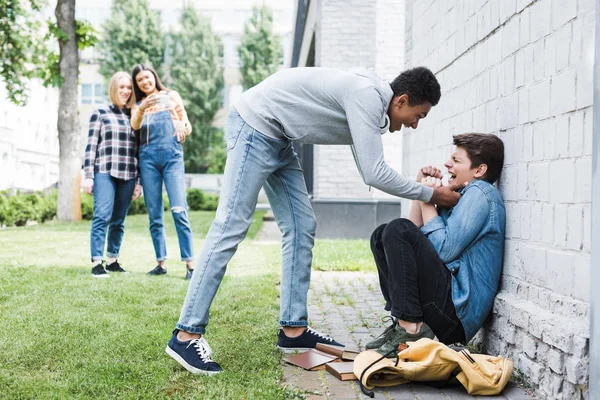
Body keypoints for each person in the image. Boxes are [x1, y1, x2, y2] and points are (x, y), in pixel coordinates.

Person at [166, 66, 463, 375]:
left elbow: (366, 167)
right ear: (401, 101)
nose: (415, 125)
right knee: (230, 225)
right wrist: (433, 195)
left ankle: (293, 330)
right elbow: (373, 173)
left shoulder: (372, 100)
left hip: (279, 137)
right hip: (256, 126)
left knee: (300, 226)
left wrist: (428, 192)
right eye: (419, 115)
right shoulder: (367, 97)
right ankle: (186, 334)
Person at [367, 133, 506, 356]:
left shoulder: (482, 194)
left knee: (396, 229)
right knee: (382, 235)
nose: (447, 164)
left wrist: (428, 197)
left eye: (457, 160)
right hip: (441, 309)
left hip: (454, 319)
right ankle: (406, 325)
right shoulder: (459, 194)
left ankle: (411, 330)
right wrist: (422, 189)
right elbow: (406, 244)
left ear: (479, 171)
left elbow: (443, 249)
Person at [130, 64, 195, 280]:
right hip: (148, 160)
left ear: (154, 77)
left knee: (179, 209)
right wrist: (142, 107)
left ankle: (190, 264)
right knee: (155, 214)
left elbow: (187, 123)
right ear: (137, 84)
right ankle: (161, 263)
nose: (145, 82)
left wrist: (182, 124)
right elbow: (135, 125)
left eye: (147, 77)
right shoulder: (138, 105)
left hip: (172, 157)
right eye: (140, 80)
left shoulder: (170, 95)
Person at [83, 71, 142, 278]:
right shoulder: (100, 112)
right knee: (102, 215)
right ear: (113, 89)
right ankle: (97, 262)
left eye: (128, 88)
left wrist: (139, 182)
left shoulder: (135, 117)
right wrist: (88, 176)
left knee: (119, 220)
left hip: (128, 172)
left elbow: (139, 151)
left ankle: (113, 260)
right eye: (122, 87)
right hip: (105, 170)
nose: (125, 91)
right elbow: (91, 146)